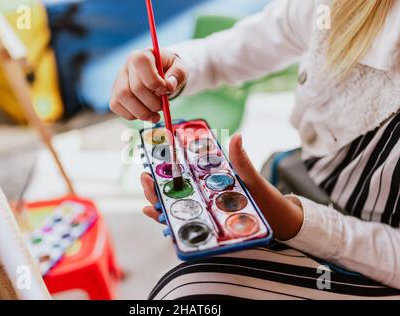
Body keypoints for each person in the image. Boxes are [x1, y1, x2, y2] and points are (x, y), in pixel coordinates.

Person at [110, 0, 400, 299]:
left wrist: (297, 222)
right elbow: (235, 49)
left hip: (376, 261)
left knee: (185, 291)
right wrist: (175, 68)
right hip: (302, 179)